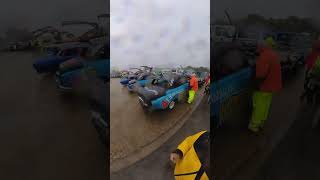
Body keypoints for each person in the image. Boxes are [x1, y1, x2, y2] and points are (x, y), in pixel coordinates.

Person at [248, 37, 282, 133]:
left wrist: (255, 83)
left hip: (264, 86)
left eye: (260, 45)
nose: (258, 46)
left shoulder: (265, 56)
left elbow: (261, 74)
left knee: (258, 105)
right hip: (271, 86)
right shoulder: (273, 54)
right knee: (265, 105)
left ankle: (254, 125)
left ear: (264, 45)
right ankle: (261, 122)